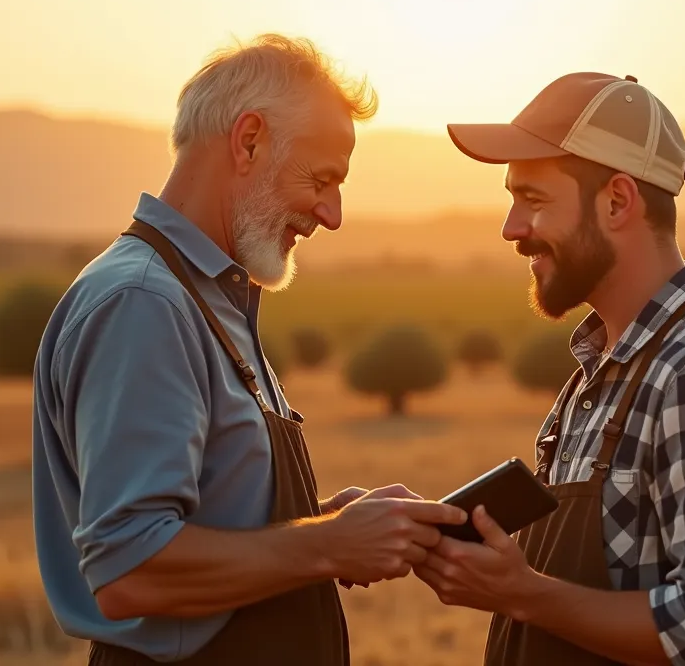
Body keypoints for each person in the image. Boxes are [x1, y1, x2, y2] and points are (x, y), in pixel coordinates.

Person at [31, 34, 467, 666]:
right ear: (249, 141)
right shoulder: (145, 303)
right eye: (322, 179)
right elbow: (133, 568)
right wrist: (328, 547)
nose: (333, 213)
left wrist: (326, 523)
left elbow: (202, 520)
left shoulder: (208, 297)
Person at [414, 72, 685, 665]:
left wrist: (525, 595)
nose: (511, 228)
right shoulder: (603, 369)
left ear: (617, 201)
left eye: (533, 200)